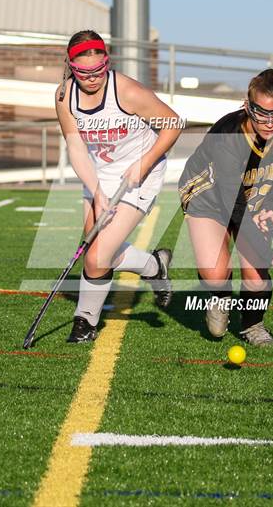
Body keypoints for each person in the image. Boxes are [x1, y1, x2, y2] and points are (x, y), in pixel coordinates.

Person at [56, 30, 181, 342]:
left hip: (140, 172)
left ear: (107, 63)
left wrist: (144, 163)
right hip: (99, 174)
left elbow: (173, 124)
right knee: (97, 251)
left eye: (99, 70)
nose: (92, 78)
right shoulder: (64, 96)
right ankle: (153, 265)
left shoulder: (127, 91)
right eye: (83, 72)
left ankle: (85, 323)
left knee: (97, 257)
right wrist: (96, 191)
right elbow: (76, 147)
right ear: (70, 66)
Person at [178, 67, 273, 346]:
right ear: (248, 107)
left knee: (257, 278)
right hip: (207, 197)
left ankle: (252, 325)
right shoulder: (229, 136)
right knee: (215, 274)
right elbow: (234, 206)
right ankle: (220, 295)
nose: (269, 123)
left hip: (252, 193)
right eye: (261, 113)